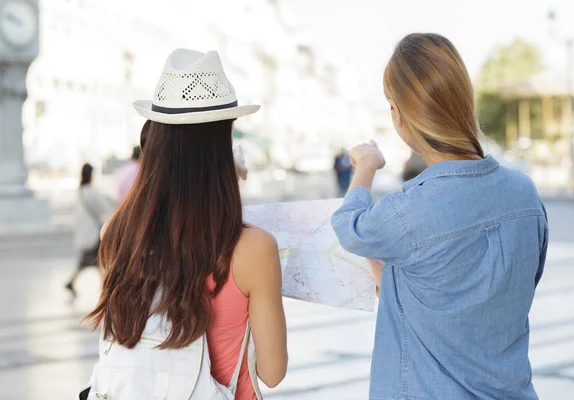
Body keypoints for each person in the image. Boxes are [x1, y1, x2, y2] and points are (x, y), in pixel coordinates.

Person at [332, 33, 548, 400]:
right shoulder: (525, 194)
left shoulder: (410, 211)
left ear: (398, 113)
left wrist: (366, 166)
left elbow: (349, 226)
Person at [80, 49, 287, 399]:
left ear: (155, 138)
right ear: (224, 141)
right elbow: (272, 371)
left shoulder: (117, 233)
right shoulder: (253, 248)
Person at [65, 163, 114, 297]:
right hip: (93, 234)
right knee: (100, 260)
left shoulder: (79, 192)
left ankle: (73, 282)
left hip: (85, 234)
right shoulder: (92, 192)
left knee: (90, 261)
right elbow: (106, 209)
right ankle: (105, 287)